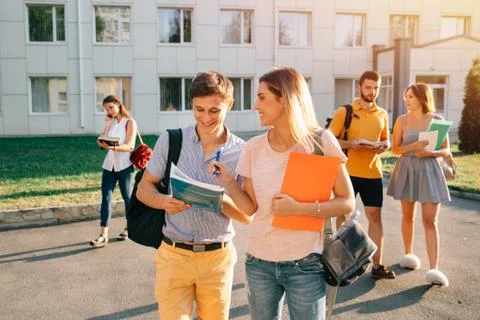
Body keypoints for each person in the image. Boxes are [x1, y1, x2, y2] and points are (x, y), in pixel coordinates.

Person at [210, 67, 355, 320]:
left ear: (285, 99)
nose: (255, 105)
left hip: (306, 264)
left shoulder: (320, 142)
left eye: (262, 97)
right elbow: (250, 208)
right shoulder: (253, 148)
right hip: (259, 264)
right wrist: (229, 182)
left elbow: (347, 202)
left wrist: (300, 209)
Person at [136, 71, 251, 320]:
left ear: (229, 105)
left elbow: (247, 216)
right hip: (173, 255)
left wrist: (221, 198)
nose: (205, 118)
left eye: (214, 110)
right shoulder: (171, 140)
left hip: (217, 259)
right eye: (199, 109)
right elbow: (144, 188)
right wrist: (163, 201)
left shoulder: (243, 152)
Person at [328, 70, 395, 279]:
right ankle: (342, 263)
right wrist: (350, 144)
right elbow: (328, 139)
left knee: (375, 217)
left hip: (373, 173)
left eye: (376, 88)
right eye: (368, 87)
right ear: (360, 87)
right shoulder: (344, 111)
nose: (372, 92)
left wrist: (384, 147)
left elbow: (386, 140)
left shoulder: (382, 114)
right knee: (344, 217)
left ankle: (378, 266)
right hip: (346, 173)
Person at [387, 83, 451, 286]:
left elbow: (447, 150)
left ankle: (434, 268)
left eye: (411, 96)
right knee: (408, 215)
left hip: (430, 171)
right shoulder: (401, 120)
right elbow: (395, 149)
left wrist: (430, 153)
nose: (406, 99)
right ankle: (408, 255)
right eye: (405, 96)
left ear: (422, 98)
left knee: (430, 220)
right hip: (407, 169)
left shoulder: (437, 120)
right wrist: (414, 146)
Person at [90, 95, 137, 248]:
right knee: (106, 198)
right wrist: (107, 125)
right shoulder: (112, 122)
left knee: (127, 198)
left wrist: (111, 147)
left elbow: (129, 146)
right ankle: (103, 235)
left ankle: (131, 228)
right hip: (109, 165)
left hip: (124, 166)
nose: (109, 111)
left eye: (110, 107)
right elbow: (103, 139)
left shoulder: (129, 122)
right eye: (106, 109)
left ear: (118, 104)